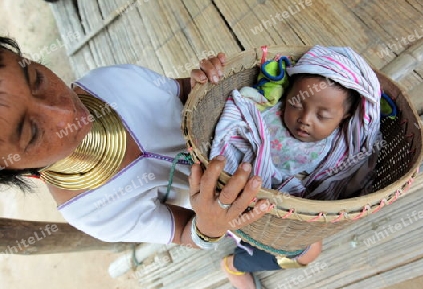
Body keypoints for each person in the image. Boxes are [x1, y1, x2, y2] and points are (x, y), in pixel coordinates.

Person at [0, 35, 272, 251]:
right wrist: (210, 226)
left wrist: (208, 80)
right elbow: (185, 233)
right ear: (10, 169)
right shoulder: (92, 210)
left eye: (37, 78)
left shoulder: (112, 82)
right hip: (257, 204)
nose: (64, 112)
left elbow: (187, 92)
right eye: (31, 133)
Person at [213, 45, 382, 289]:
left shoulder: (339, 145)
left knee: (309, 251)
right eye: (297, 104)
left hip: (293, 216)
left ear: (345, 117)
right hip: (248, 203)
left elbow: (338, 178)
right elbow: (242, 121)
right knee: (308, 252)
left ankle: (241, 260)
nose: (305, 119)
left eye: (322, 115)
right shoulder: (269, 116)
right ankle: (235, 266)